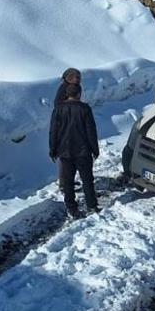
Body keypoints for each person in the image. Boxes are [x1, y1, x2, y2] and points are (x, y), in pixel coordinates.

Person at [49, 82, 100, 217]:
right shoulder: (85, 109)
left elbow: (53, 131)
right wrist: (95, 149)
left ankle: (71, 208)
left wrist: (53, 149)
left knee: (68, 181)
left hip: (64, 151)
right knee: (87, 179)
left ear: (67, 94)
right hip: (83, 151)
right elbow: (91, 131)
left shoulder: (58, 109)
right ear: (79, 94)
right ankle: (92, 206)